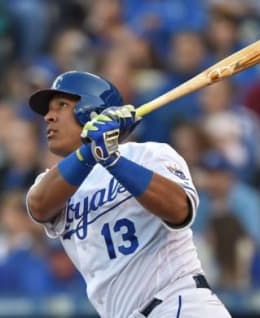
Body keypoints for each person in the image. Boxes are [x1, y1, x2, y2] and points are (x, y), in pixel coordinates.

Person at [26, 71, 231, 318]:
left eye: (62, 106)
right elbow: (38, 206)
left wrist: (112, 160)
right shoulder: (58, 181)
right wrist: (92, 152)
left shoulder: (148, 155)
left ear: (90, 110)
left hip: (178, 303)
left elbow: (179, 210)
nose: (48, 117)